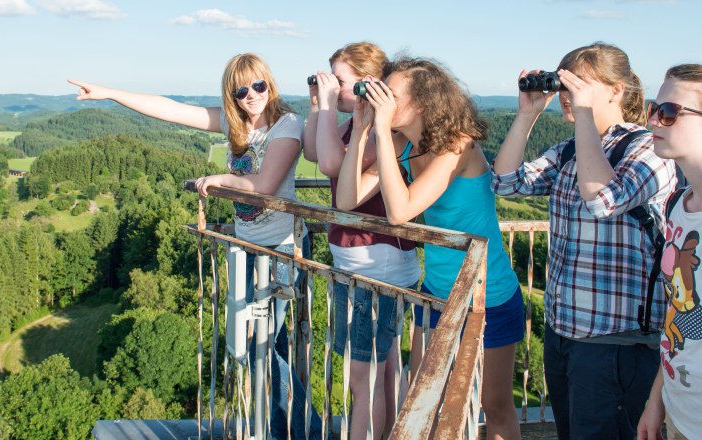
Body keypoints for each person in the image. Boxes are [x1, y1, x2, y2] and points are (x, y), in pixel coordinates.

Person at [69, 52, 321, 440]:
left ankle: (307, 431)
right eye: (241, 90)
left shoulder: (287, 123)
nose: (251, 95)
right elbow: (170, 109)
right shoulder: (234, 124)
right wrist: (108, 93)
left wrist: (221, 178)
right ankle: (281, 429)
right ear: (232, 96)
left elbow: (266, 186)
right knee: (273, 350)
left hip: (282, 252)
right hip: (249, 249)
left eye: (258, 85)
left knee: (260, 351)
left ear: (269, 84)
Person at [491, 42, 677, 440]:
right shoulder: (571, 150)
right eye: (562, 86)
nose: (566, 96)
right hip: (565, 333)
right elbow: (505, 181)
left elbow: (602, 200)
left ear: (616, 91)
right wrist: (527, 115)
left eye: (580, 86)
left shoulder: (648, 149)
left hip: (617, 342)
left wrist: (585, 118)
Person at [337, 56, 523, 440]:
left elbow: (400, 212)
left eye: (392, 92)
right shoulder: (405, 146)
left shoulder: (457, 145)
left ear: (422, 102)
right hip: (438, 293)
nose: (382, 96)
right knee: (422, 400)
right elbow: (346, 199)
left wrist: (384, 132)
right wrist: (361, 130)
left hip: (488, 295)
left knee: (496, 406)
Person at [304, 42, 420, 439]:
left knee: (362, 380)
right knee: (383, 371)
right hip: (362, 264)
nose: (334, 87)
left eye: (341, 80)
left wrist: (327, 107)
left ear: (368, 84)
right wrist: (320, 104)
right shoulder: (357, 125)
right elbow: (313, 149)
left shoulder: (381, 131)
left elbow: (331, 165)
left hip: (375, 267)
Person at [638, 64, 702, 440]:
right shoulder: (679, 205)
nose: (654, 122)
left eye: (670, 112)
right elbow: (678, 315)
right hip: (680, 414)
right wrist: (656, 400)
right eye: (653, 108)